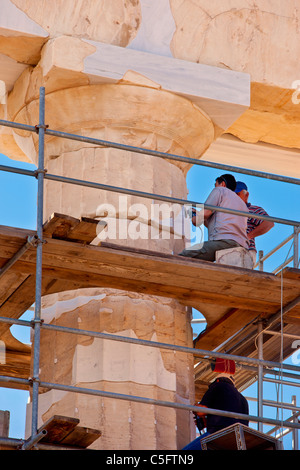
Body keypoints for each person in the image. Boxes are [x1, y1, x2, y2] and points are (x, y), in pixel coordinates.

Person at [179, 174, 249, 261]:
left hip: (224, 243)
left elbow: (205, 214)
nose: (215, 187)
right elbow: (219, 224)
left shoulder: (220, 190)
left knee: (184, 256)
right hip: (241, 245)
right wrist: (199, 214)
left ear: (222, 184)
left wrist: (194, 217)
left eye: (216, 184)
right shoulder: (242, 204)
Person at [182, 372, 249, 450]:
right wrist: (207, 422)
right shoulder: (243, 399)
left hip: (219, 435)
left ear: (217, 380)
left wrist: (196, 407)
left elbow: (201, 411)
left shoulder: (217, 386)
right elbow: (230, 419)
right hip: (239, 440)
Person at [234, 181, 274, 265]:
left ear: (246, 195)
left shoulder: (252, 209)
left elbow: (269, 223)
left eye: (237, 194)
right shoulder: (227, 210)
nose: (234, 197)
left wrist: (248, 237)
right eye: (232, 194)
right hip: (228, 250)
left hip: (246, 250)